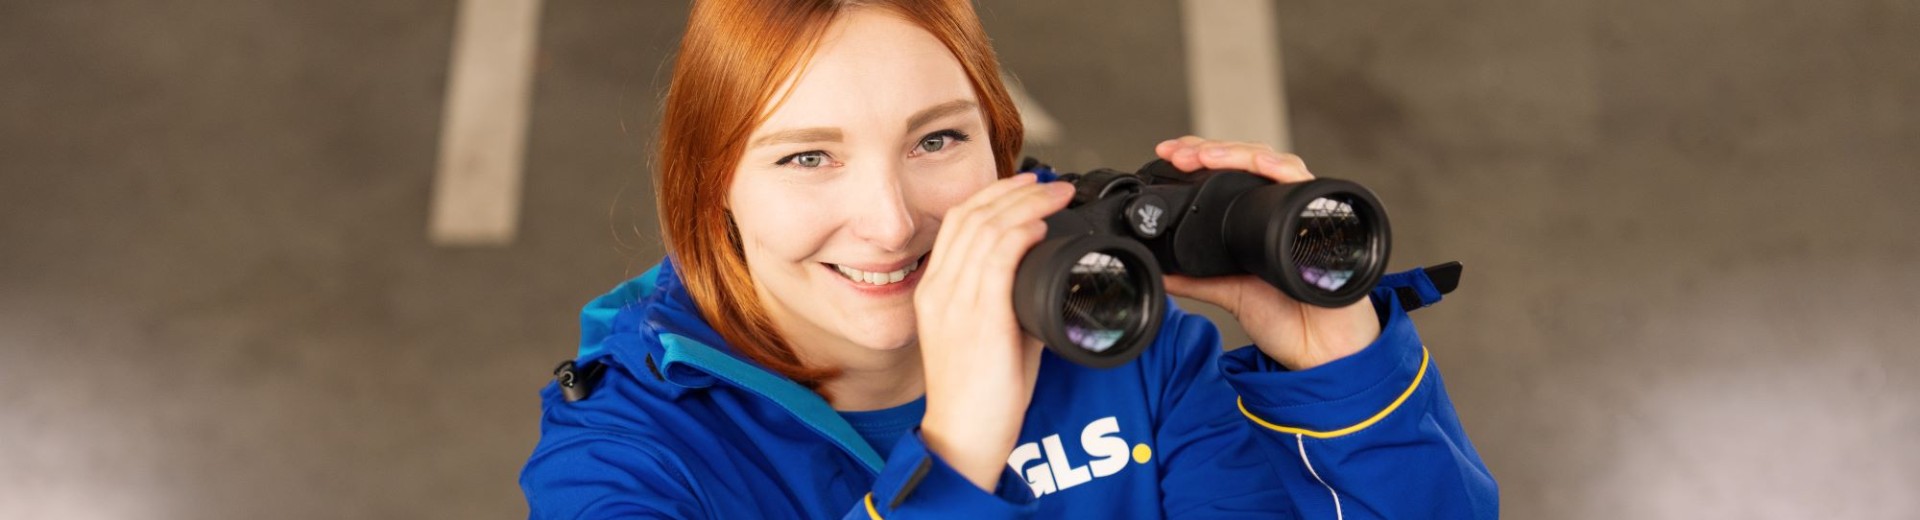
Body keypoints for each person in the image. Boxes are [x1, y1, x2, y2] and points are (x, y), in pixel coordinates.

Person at [520, 0, 1498, 518]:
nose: (890, 221)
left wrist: (1339, 368)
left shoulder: (1133, 353)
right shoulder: (625, 466)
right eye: (808, 156)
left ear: (1000, 145)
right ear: (710, 187)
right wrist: (953, 455)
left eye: (936, 141)